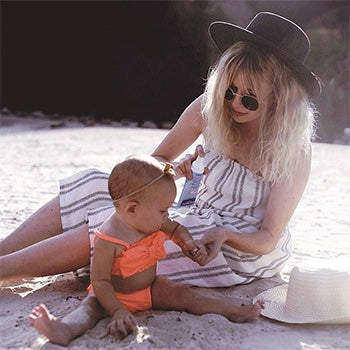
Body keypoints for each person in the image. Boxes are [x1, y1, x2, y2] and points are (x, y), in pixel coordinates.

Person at [0, 12, 322, 287]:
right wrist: (170, 173)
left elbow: (267, 237)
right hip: (197, 216)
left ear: (279, 99)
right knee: (95, 182)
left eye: (249, 99)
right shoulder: (209, 111)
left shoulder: (293, 150)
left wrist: (224, 234)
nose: (235, 104)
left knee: (127, 231)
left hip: (241, 248)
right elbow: (156, 160)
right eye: (230, 91)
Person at [27, 155, 263, 345]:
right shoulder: (108, 238)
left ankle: (234, 310)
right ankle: (63, 329)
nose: (167, 215)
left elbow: (176, 229)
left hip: (150, 288)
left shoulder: (150, 219)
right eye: (163, 211)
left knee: (188, 296)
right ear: (132, 209)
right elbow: (100, 282)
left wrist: (188, 243)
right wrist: (117, 310)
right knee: (87, 310)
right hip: (111, 295)